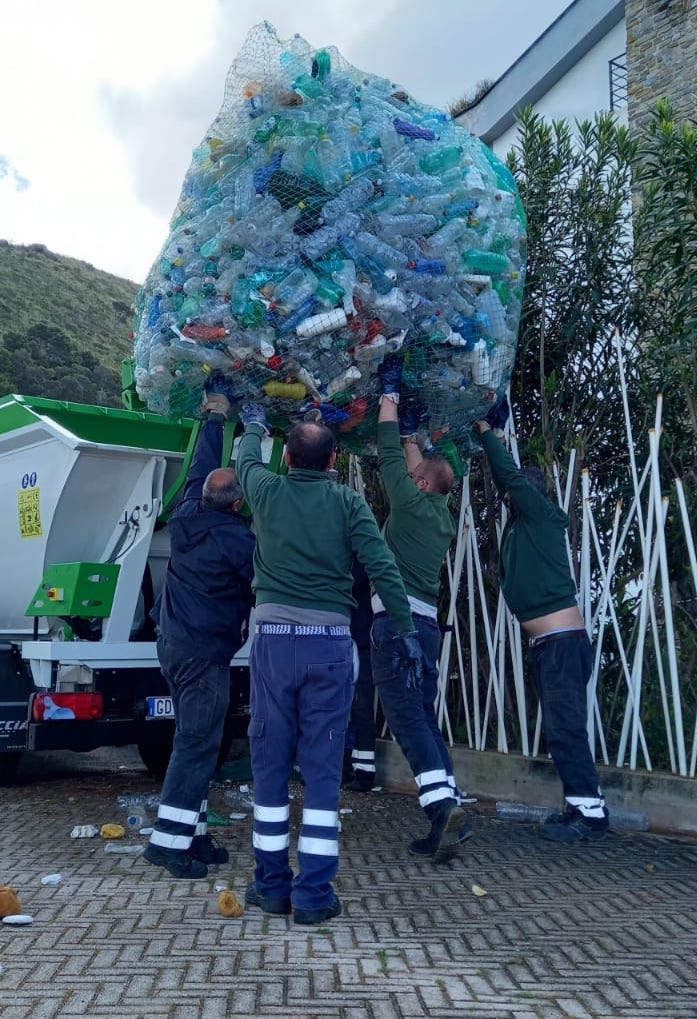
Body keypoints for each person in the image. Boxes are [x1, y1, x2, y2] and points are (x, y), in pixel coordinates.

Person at [235, 407, 428, 925]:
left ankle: (270, 887)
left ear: (289, 458)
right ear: (333, 461)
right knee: (321, 773)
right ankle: (314, 897)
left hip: (273, 645)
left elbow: (245, 455)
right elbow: (383, 566)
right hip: (329, 645)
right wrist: (406, 631)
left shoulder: (266, 491)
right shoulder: (348, 503)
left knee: (270, 765)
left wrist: (255, 421)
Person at [475, 398, 609, 842]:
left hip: (562, 644)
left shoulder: (544, 517)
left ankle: (592, 815)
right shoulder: (518, 529)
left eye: (516, 490)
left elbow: (509, 476)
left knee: (566, 725)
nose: (509, 494)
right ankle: (577, 806)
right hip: (548, 646)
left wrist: (484, 431)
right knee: (558, 727)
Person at [142, 379, 256, 879]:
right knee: (195, 743)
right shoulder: (237, 541)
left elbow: (200, 468)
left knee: (201, 741)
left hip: (174, 644)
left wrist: (215, 416)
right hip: (204, 655)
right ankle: (167, 845)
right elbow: (264, 581)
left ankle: (194, 834)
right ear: (237, 504)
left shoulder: (188, 512)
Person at [366, 354, 470, 863]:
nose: (408, 472)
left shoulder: (409, 504)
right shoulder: (443, 517)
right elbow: (436, 462)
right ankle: (447, 811)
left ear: (422, 484)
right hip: (426, 629)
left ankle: (441, 809)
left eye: (415, 472)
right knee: (424, 719)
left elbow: (388, 451)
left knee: (407, 722)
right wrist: (426, 438)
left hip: (396, 626)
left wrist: (388, 394)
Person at [345, 560, 376, 791]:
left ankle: (363, 771)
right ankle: (354, 768)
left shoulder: (358, 563)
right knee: (356, 706)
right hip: (354, 637)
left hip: (357, 638)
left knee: (360, 705)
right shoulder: (360, 558)